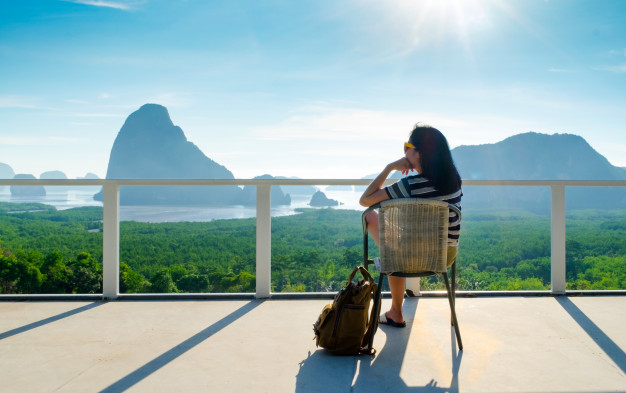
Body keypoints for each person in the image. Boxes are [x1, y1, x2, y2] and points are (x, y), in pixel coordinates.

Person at [359, 124, 462, 328]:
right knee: (398, 243)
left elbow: (365, 200)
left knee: (371, 217)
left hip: (410, 257)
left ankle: (396, 312)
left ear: (420, 152)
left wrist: (390, 167)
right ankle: (396, 311)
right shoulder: (455, 181)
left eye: (407, 147)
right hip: (444, 256)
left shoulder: (410, 185)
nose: (404, 152)